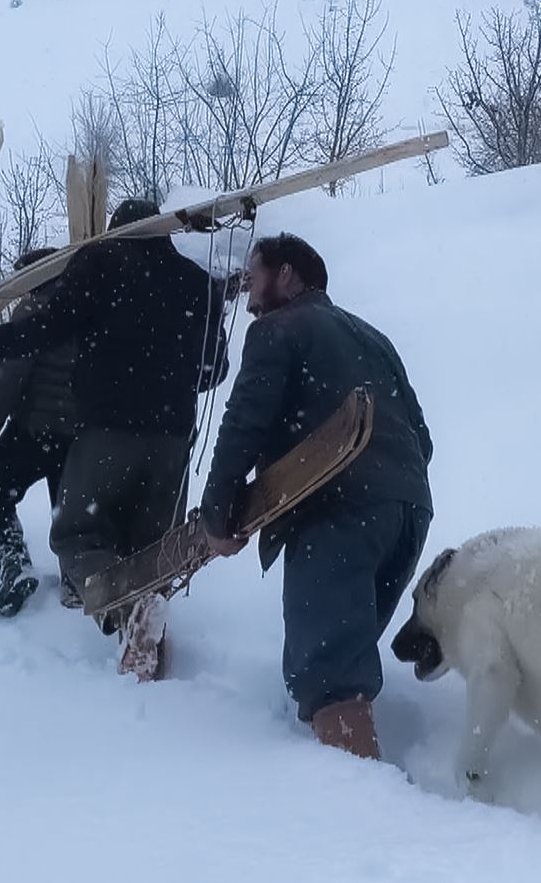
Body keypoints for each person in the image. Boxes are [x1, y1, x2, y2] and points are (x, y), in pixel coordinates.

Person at [0, 200, 228, 676]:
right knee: (151, 547)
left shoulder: (100, 262)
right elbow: (212, 369)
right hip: (175, 438)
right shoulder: (196, 281)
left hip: (108, 429)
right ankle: (148, 647)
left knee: (77, 533)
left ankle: (127, 612)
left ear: (116, 232)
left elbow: (44, 329)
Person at [199, 233, 434, 760]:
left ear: (288, 275)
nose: (248, 291)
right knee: (343, 654)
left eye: (254, 274)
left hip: (336, 511)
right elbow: (424, 439)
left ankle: (359, 814)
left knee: (331, 673)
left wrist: (218, 516)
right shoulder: (372, 336)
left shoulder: (276, 329)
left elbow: (243, 426)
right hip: (408, 511)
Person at [0, 247, 78, 617]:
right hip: (76, 435)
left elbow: (8, 380)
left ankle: (15, 566)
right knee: (68, 512)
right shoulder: (90, 307)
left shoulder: (34, 311)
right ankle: (76, 582)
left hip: (33, 430)